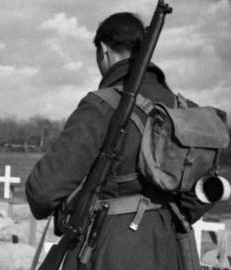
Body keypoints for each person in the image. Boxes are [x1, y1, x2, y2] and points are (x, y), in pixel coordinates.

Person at [25, 12, 212, 270]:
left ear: (103, 51)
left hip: (106, 251)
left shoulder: (101, 105)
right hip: (170, 250)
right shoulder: (183, 111)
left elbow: (43, 191)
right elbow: (205, 191)